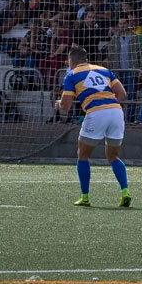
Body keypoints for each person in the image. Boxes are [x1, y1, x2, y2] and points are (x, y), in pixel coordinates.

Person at [56, 47, 130, 207]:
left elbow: (66, 105)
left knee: (83, 155)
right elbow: (122, 94)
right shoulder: (104, 70)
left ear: (71, 61)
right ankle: (125, 192)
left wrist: (58, 104)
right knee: (113, 156)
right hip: (116, 112)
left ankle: (85, 197)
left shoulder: (71, 75)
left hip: (96, 114)